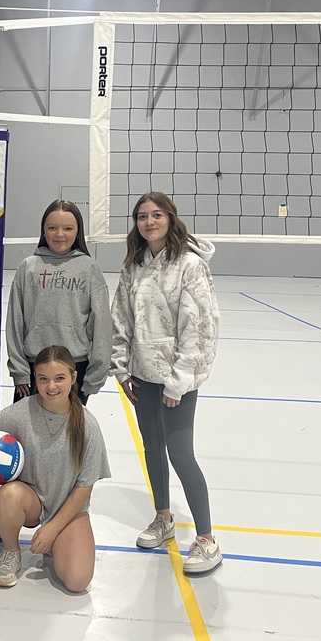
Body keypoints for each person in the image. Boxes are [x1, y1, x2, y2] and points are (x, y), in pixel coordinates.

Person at [0, 199, 111, 541]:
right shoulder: (29, 267)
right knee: (19, 443)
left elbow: (102, 325)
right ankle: (6, 512)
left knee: (66, 448)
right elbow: (15, 322)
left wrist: (93, 378)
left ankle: (64, 515)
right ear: (43, 230)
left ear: (78, 231)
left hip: (72, 374)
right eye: (52, 227)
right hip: (33, 374)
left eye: (68, 227)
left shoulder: (89, 269)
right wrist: (20, 372)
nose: (60, 234)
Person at [110, 191, 222, 576]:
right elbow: (120, 320)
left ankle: (207, 539)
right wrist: (121, 369)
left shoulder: (190, 266)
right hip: (142, 375)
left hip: (176, 381)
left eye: (157, 215)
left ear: (171, 219)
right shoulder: (134, 266)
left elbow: (201, 328)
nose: (149, 222)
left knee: (180, 453)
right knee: (153, 449)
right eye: (142, 216)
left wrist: (179, 382)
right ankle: (163, 518)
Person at [0, 346, 111, 592]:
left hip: (68, 509)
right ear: (35, 379)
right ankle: (11, 552)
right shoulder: (22, 412)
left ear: (74, 378)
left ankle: (58, 543)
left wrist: (52, 529)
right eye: (43, 379)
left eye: (59, 378)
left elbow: (84, 488)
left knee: (77, 582)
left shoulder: (88, 425)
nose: (51, 386)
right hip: (31, 503)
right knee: (9, 493)